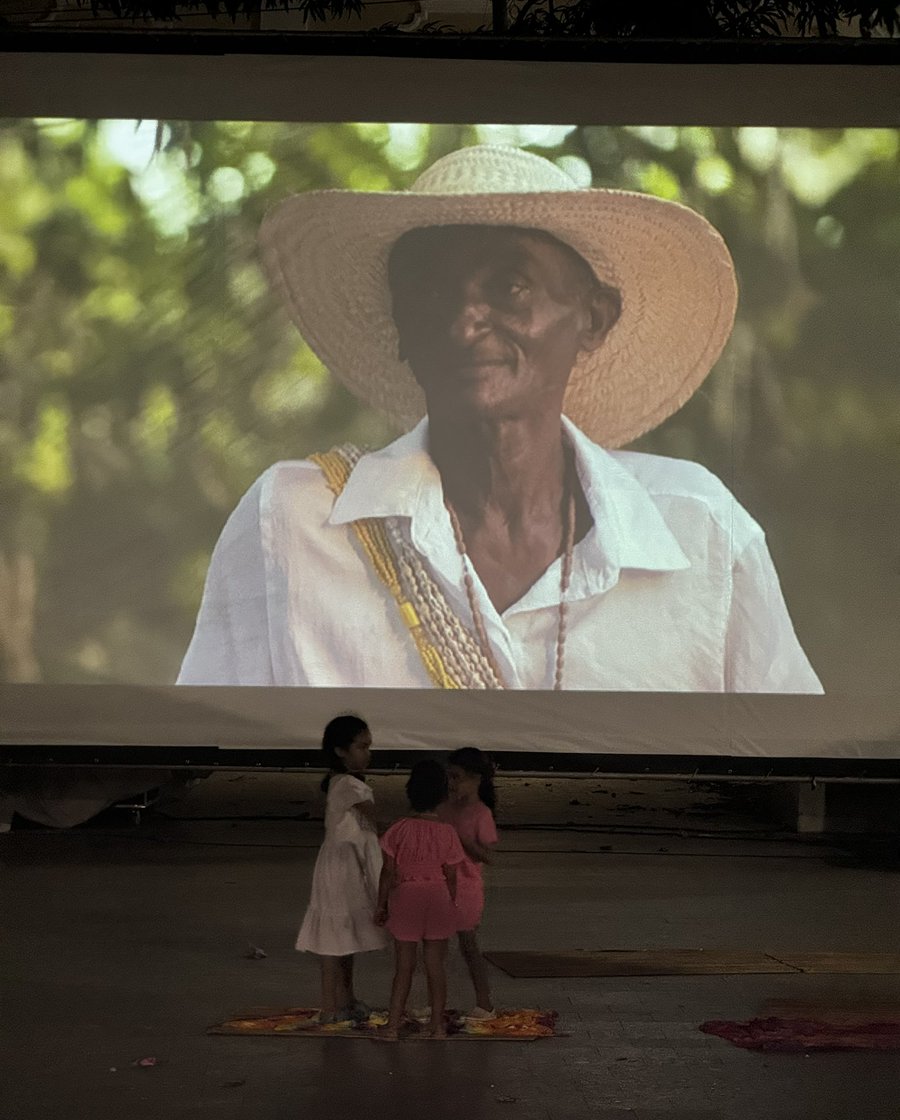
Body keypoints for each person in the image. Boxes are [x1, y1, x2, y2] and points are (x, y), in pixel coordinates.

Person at [177, 144, 822, 693]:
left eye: (510, 287)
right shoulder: (294, 523)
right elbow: (203, 754)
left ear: (593, 319)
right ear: (402, 326)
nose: (463, 324)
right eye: (432, 290)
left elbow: (798, 769)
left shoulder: (699, 530)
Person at [295, 714, 386, 1024]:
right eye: (361, 747)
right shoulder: (348, 785)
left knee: (346, 936)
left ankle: (346, 999)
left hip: (351, 865)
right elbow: (378, 821)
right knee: (334, 937)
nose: (367, 754)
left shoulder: (348, 783)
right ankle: (330, 1007)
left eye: (368, 747)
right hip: (341, 866)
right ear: (340, 751)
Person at [374, 759, 466, 1039]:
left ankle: (392, 1026)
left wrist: (382, 904)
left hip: (406, 897)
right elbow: (451, 875)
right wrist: (453, 903)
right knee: (435, 966)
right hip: (437, 897)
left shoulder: (398, 829)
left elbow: (387, 873)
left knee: (404, 967)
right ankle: (437, 1025)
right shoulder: (448, 832)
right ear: (442, 795)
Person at [437, 746, 499, 1019]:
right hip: (438, 884)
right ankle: (435, 1000)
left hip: (466, 887)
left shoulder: (481, 814)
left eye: (457, 777)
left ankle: (484, 1002)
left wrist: (461, 840)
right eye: (449, 777)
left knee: (468, 945)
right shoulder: (443, 808)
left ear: (476, 779)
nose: (451, 784)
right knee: (434, 946)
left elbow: (487, 855)